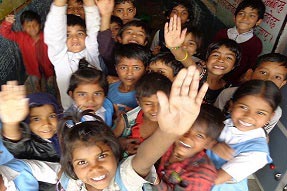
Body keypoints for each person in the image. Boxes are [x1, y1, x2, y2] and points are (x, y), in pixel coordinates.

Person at [57, 65, 209, 191]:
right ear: (71, 165)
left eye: (102, 156)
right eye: (82, 162)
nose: (95, 168)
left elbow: (144, 159)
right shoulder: (71, 183)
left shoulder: (123, 179)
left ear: (115, 153)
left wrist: (168, 133)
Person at [207, 80, 281, 191]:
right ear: (231, 106)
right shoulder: (225, 121)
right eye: (243, 107)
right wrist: (212, 144)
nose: (248, 117)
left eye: (260, 113)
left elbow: (215, 180)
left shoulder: (257, 154)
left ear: (270, 117)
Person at [164, 15, 241, 104]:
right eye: (216, 55)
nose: (221, 60)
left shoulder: (227, 88)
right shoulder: (199, 73)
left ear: (234, 66)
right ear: (207, 59)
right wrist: (175, 47)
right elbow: (188, 62)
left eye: (228, 57)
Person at [44, 0, 102, 110]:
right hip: (74, 116)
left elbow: (94, 28)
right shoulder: (60, 58)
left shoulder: (91, 52)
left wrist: (90, 4)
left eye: (79, 33)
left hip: (99, 110)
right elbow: (55, 33)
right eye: (67, 35)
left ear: (86, 35)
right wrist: (59, 4)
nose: (75, 38)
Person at [155, 104, 224, 191]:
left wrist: (154, 180)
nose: (187, 137)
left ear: (209, 144)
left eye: (199, 135)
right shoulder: (170, 143)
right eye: (186, 127)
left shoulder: (201, 175)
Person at [214, 53, 287, 133]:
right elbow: (213, 121)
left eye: (277, 77)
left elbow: (261, 135)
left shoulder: (276, 112)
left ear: (282, 83)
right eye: (263, 72)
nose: (268, 79)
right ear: (250, 74)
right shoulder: (227, 93)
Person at [0, 81, 62, 162]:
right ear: (27, 122)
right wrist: (11, 124)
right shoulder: (30, 146)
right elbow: (16, 145)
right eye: (36, 119)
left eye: (52, 116)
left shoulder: (68, 131)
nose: (46, 124)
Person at [113, 72, 172, 157]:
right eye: (148, 104)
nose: (155, 109)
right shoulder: (126, 121)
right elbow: (109, 141)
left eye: (161, 103)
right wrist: (119, 143)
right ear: (138, 101)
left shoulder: (174, 123)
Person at [0, 10, 56, 95]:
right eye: (28, 26)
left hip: (50, 69)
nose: (32, 28)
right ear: (23, 27)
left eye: (35, 25)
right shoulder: (21, 37)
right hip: (33, 71)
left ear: (40, 25)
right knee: (36, 91)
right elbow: (5, 33)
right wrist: (7, 23)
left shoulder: (47, 36)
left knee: (52, 87)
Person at [213, 0, 266, 85]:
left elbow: (251, 65)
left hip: (233, 82)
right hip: (214, 73)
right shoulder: (221, 33)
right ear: (234, 17)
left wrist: (248, 73)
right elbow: (211, 52)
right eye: (241, 13)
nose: (245, 18)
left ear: (258, 21)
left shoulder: (256, 44)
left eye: (251, 15)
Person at [66, 59, 114, 127]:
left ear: (105, 94)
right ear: (72, 95)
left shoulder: (108, 105)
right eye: (82, 94)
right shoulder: (70, 120)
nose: (90, 100)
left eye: (97, 94)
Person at [107, 43, 151, 118]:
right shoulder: (109, 88)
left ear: (146, 69)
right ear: (116, 68)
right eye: (123, 67)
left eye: (136, 68)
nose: (129, 73)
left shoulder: (147, 94)